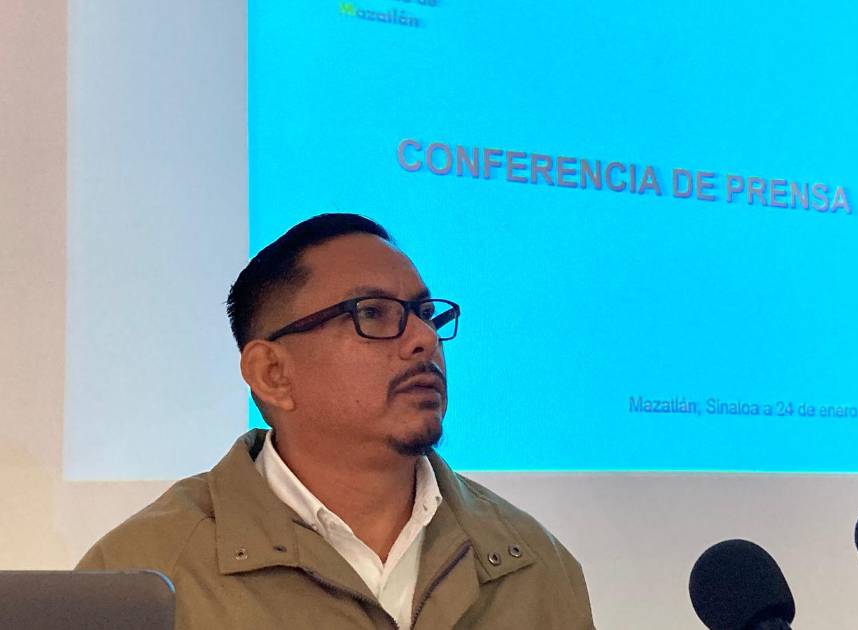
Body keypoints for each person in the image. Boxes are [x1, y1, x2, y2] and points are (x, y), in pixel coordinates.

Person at [77, 213, 595, 629]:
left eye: (425, 315)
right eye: (372, 313)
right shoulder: (145, 574)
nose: (423, 339)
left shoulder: (534, 563)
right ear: (272, 373)